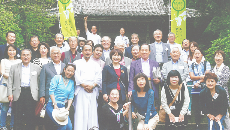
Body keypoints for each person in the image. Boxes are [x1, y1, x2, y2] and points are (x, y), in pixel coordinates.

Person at [7, 49, 41, 130]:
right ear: (20, 56)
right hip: (18, 93)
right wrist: (10, 93)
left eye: (27, 55)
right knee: (17, 116)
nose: (26, 57)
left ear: (31, 56)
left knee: (31, 116)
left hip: (31, 93)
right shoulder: (14, 67)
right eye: (24, 55)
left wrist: (40, 95)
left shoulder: (37, 68)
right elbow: (10, 81)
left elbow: (39, 82)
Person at [73, 44, 102, 130]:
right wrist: (83, 85)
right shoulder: (76, 63)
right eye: (85, 50)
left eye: (89, 50)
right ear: (82, 51)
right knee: (80, 111)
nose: (87, 52)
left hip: (92, 90)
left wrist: (92, 86)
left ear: (92, 52)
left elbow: (99, 77)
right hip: (81, 90)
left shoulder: (96, 65)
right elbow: (75, 75)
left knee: (92, 111)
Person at [39, 47, 66, 129]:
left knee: (61, 118)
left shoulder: (65, 66)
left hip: (62, 96)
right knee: (49, 119)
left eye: (58, 53)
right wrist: (42, 95)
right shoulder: (46, 66)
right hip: (49, 96)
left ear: (61, 55)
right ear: (50, 55)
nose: (56, 55)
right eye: (54, 53)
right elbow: (42, 81)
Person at [128, 44, 160, 109]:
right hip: (139, 85)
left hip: (151, 84)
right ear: (140, 51)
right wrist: (130, 89)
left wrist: (159, 80)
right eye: (142, 50)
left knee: (151, 105)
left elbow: (159, 76)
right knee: (140, 105)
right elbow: (131, 78)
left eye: (146, 50)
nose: (144, 52)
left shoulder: (155, 63)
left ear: (149, 52)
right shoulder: (134, 63)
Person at [46, 63, 76, 130]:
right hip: (52, 105)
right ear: (64, 70)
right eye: (68, 70)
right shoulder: (57, 78)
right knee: (62, 126)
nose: (70, 73)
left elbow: (71, 97)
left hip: (62, 107)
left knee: (69, 127)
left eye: (72, 71)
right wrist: (54, 104)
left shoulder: (71, 82)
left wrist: (68, 108)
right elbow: (51, 91)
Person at [189, 48, 211, 130]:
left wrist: (199, 81)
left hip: (205, 88)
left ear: (202, 54)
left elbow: (207, 76)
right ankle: (197, 124)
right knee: (196, 106)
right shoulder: (191, 64)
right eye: (195, 53)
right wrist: (201, 77)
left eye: (198, 53)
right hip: (194, 89)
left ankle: (209, 123)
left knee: (205, 105)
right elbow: (191, 77)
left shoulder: (206, 63)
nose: (197, 55)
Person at [0, 44, 21, 130]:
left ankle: (13, 125)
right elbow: (2, 73)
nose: (12, 52)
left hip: (16, 87)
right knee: (4, 107)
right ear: (7, 52)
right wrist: (12, 77)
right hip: (6, 86)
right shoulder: (4, 60)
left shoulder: (19, 61)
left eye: (13, 50)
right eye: (10, 50)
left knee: (15, 108)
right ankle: (2, 125)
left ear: (16, 51)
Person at [212, 50, 230, 129]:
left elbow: (225, 80)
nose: (218, 58)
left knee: (225, 113)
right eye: (216, 56)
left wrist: (213, 85)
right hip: (213, 95)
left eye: (220, 56)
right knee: (215, 113)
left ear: (223, 59)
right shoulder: (213, 69)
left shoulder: (226, 68)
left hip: (223, 94)